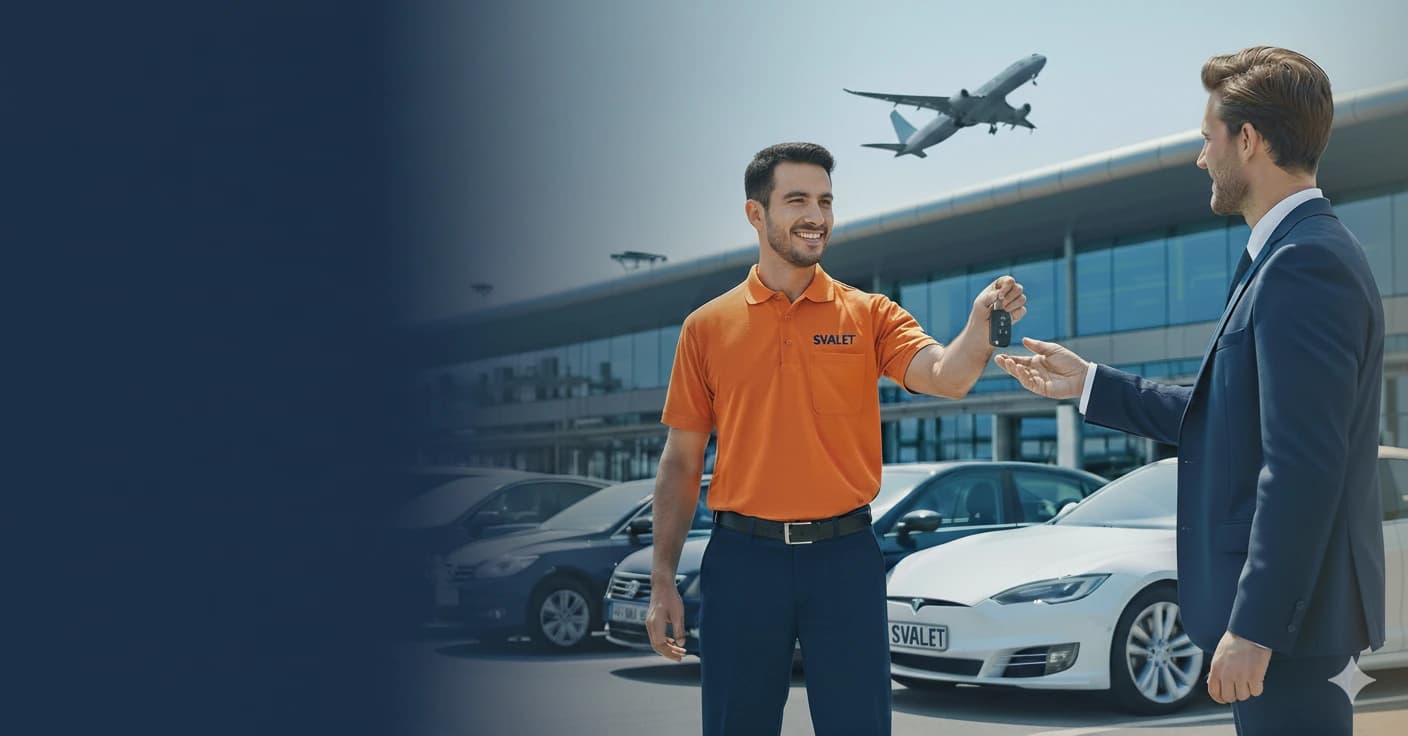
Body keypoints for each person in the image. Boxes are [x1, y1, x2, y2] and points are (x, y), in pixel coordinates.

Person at [994, 47, 1384, 735]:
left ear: (1248, 140)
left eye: (1208, 138)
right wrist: (1089, 384)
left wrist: (1255, 626)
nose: (1201, 158)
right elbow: (1226, 418)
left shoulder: (1303, 263)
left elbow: (1302, 466)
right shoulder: (1287, 255)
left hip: (1289, 636)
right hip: (1292, 633)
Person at [644, 142, 1026, 735]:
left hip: (844, 559)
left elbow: (946, 377)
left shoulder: (869, 313)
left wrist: (978, 328)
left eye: (825, 201)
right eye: (797, 200)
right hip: (743, 561)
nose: (816, 216)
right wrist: (662, 578)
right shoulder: (707, 327)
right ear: (755, 213)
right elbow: (681, 461)